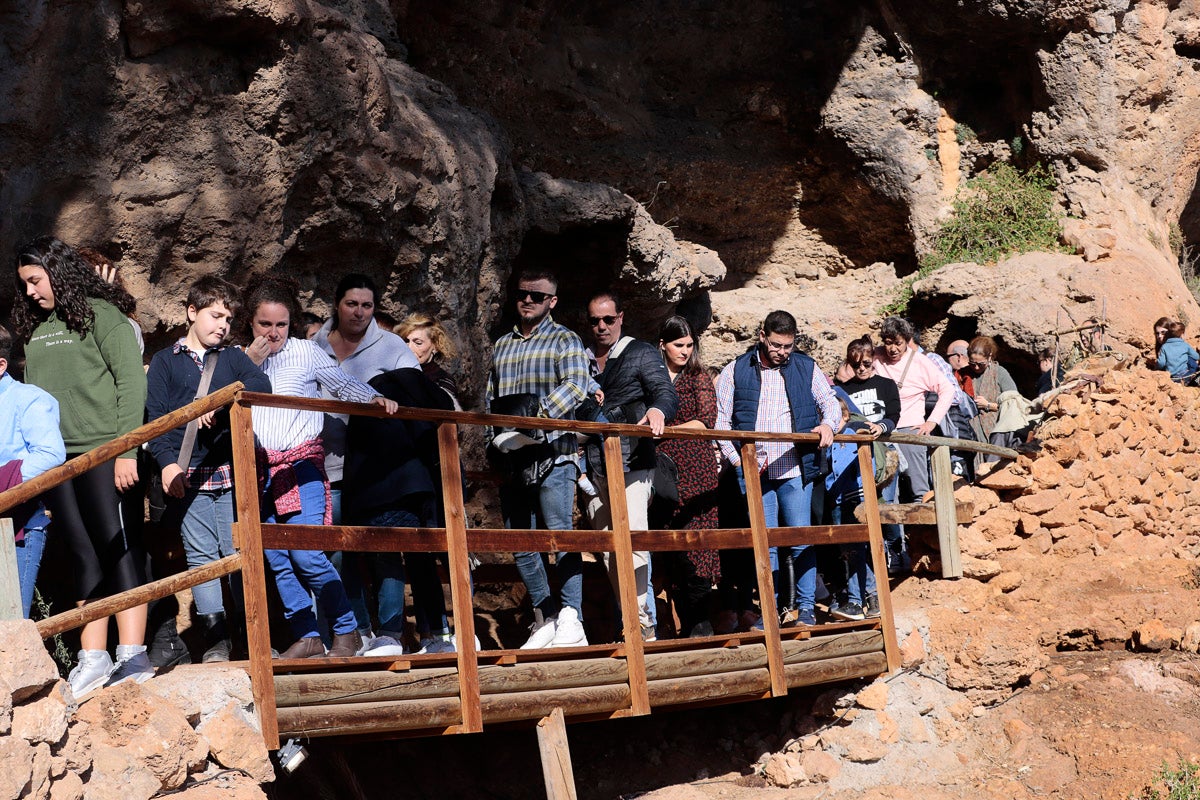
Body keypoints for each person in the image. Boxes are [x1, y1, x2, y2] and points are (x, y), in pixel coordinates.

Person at [13, 236, 151, 696]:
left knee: (121, 547)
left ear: (57, 270)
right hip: (59, 460)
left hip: (107, 452)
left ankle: (134, 655)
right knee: (81, 553)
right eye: (25, 284)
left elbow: (132, 384)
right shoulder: (34, 330)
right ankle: (94, 658)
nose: (31, 291)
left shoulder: (102, 315)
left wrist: (128, 451)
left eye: (36, 280)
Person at [241, 277, 398, 658]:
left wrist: (375, 399)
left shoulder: (306, 352)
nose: (273, 333)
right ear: (251, 323)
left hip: (302, 465)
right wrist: (248, 365)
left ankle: (347, 631)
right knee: (275, 556)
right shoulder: (238, 358)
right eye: (265, 324)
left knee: (307, 554)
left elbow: (340, 384)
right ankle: (308, 634)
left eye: (281, 324)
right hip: (259, 469)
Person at [145, 276, 272, 662]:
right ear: (191, 312)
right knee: (203, 556)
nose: (223, 325)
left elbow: (260, 388)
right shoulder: (167, 362)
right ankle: (217, 640)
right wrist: (167, 465)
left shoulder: (233, 358)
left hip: (231, 473)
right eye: (216, 315)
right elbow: (157, 418)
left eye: (229, 319)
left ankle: (252, 637)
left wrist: (220, 401)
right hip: (190, 475)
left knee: (240, 550)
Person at [714, 310, 838, 628]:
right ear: (762, 336)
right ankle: (770, 610)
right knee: (764, 542)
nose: (783, 352)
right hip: (755, 471)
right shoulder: (735, 371)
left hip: (795, 467)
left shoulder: (806, 367)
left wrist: (828, 425)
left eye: (788, 346)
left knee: (799, 538)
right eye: (777, 345)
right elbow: (721, 424)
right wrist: (738, 461)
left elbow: (831, 404)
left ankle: (806, 609)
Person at [487, 269, 591, 649]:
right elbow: (490, 395)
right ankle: (545, 615)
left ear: (552, 301)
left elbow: (577, 385)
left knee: (559, 534)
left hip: (555, 451)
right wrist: (493, 439)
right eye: (522, 294)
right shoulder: (501, 345)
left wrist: (535, 419)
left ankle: (571, 617)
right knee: (521, 538)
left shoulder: (566, 339)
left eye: (537, 295)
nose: (528, 299)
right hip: (513, 455)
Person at [344, 363, 457, 656]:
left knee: (388, 557)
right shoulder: (417, 388)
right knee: (423, 560)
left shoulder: (378, 387)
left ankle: (390, 634)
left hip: (378, 485)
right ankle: (438, 633)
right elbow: (446, 411)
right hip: (419, 485)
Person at [584, 290, 678, 641]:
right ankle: (632, 618)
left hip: (633, 462)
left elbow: (665, 393)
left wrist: (657, 411)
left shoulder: (639, 352)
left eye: (608, 319)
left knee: (634, 541)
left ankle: (641, 624)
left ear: (621, 318)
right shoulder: (582, 357)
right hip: (594, 465)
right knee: (609, 548)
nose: (602, 326)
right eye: (595, 320)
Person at [654, 316, 720, 638]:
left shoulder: (698, 377)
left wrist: (666, 431)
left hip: (697, 468)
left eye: (689, 344)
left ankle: (701, 625)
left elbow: (707, 421)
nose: (684, 350)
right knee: (670, 546)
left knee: (698, 545)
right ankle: (680, 623)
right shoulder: (654, 377)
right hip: (663, 469)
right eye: (678, 344)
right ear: (663, 344)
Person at [0, 324, 66, 619]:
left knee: (8, 623)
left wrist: (4, 479)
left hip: (17, 526)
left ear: (1, 365)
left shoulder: (28, 399)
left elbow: (51, 454)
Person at [871, 317, 955, 502]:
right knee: (887, 490)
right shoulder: (875, 356)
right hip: (882, 429)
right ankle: (894, 531)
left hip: (910, 428)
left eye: (898, 343)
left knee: (918, 487)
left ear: (907, 340)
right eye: (888, 343)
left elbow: (948, 389)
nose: (893, 349)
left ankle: (923, 529)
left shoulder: (919, 362)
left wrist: (931, 422)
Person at [965, 335, 1019, 448]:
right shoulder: (965, 374)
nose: (976, 368)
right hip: (971, 432)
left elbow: (1015, 404)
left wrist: (988, 405)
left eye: (980, 364)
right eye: (972, 363)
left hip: (996, 431)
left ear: (989, 357)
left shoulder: (999, 373)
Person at [396, 313, 461, 403]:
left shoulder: (443, 381)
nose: (409, 347)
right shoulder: (392, 372)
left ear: (435, 346)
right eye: (406, 341)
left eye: (418, 343)